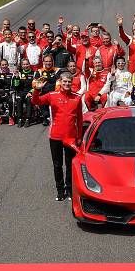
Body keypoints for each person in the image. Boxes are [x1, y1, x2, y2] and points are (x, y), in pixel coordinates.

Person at [31, 72, 84, 201]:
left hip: (71, 138)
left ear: (72, 83)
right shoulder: (52, 95)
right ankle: (60, 191)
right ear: (60, 82)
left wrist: (79, 137)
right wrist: (37, 90)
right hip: (55, 136)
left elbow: (80, 119)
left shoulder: (77, 98)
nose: (67, 84)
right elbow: (36, 101)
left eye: (69, 82)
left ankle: (70, 189)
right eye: (64, 81)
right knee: (57, 165)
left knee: (70, 165)